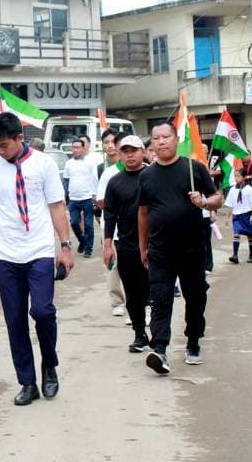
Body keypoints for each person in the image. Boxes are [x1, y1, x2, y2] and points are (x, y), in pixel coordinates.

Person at [0, 113, 74, 406]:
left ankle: (49, 364)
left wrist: (65, 246)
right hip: (5, 253)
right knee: (15, 321)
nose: (0, 151)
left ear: (19, 139)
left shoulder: (43, 164)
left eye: (5, 145)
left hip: (37, 249)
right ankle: (27, 382)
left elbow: (56, 206)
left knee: (43, 311)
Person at [138, 121, 222, 375]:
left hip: (192, 249)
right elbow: (143, 213)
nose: (161, 141)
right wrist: (143, 248)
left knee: (195, 298)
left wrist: (204, 202)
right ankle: (160, 349)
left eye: (165, 137)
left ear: (175, 140)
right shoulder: (147, 175)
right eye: (156, 138)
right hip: (160, 250)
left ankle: (193, 341)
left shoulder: (193, 168)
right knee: (160, 300)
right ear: (151, 144)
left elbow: (217, 198)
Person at [102, 134, 151, 353]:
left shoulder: (153, 175)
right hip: (127, 243)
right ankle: (140, 334)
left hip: (155, 243)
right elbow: (110, 214)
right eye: (125, 151)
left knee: (155, 290)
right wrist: (107, 244)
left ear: (143, 151)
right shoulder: (115, 182)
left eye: (134, 151)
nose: (130, 155)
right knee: (133, 292)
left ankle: (159, 336)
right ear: (120, 155)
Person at [96, 128, 127, 317]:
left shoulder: (145, 169)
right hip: (111, 227)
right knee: (114, 265)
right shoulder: (107, 173)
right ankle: (117, 301)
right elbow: (100, 201)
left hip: (134, 227)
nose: (110, 146)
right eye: (106, 143)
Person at [62, 139, 99, 257]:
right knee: (74, 223)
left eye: (77, 147)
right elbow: (66, 180)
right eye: (73, 147)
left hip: (87, 198)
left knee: (88, 225)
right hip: (73, 199)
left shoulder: (90, 163)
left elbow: (95, 179)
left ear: (83, 149)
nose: (75, 149)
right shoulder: (69, 163)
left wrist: (95, 195)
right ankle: (82, 241)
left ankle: (88, 249)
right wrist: (66, 195)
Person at [225, 168, 252, 264]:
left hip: (246, 214)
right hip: (237, 215)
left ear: (244, 177)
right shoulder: (233, 189)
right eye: (235, 176)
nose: (236, 178)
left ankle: (251, 255)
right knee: (236, 233)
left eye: (238, 176)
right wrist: (227, 217)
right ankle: (235, 255)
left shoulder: (249, 189)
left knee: (250, 235)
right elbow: (230, 204)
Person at [201, 144, 216, 271]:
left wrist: (213, 212)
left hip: (205, 213)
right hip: (194, 215)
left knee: (207, 241)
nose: (204, 152)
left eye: (205, 150)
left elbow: (213, 195)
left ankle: (208, 264)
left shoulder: (206, 168)